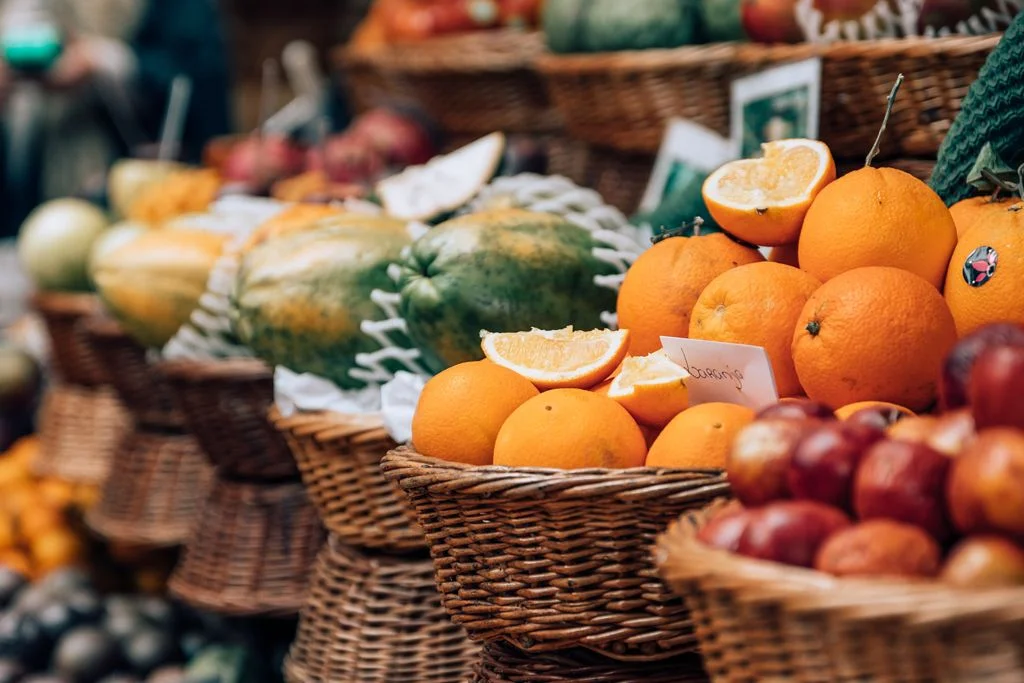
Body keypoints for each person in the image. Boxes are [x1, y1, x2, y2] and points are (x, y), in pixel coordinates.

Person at [0, 0, 233, 237]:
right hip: (29, 191)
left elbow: (196, 82)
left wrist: (103, 61)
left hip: (135, 200)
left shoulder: (172, 9)